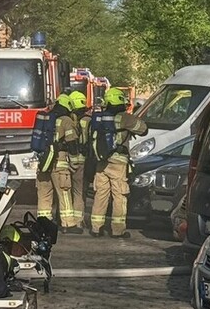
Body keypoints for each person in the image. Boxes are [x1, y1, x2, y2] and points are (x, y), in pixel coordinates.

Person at [89, 87, 148, 239]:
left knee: (100, 194)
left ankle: (96, 228)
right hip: (118, 162)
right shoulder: (125, 118)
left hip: (101, 161)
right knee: (119, 195)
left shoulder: (100, 117)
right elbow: (143, 129)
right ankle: (117, 230)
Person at [34, 93, 81, 233]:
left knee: (44, 195)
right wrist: (74, 163)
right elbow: (72, 143)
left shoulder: (45, 118)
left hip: (43, 163)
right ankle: (68, 224)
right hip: (58, 164)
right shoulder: (66, 120)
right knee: (64, 193)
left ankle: (44, 225)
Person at [65, 89, 90, 233]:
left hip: (67, 159)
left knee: (66, 191)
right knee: (79, 191)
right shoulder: (88, 120)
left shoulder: (67, 120)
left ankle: (68, 221)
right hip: (82, 160)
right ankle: (79, 221)